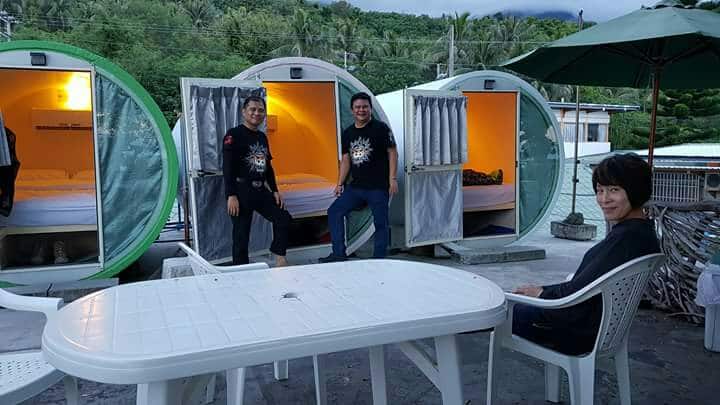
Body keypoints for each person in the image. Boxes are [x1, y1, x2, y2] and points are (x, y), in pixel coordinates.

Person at [512, 153, 660, 355]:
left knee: (502, 311)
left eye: (614, 190)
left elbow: (577, 292)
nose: (604, 199)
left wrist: (541, 293)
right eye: (600, 190)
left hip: (575, 330)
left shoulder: (625, 239)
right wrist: (542, 290)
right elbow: (587, 284)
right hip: (597, 327)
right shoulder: (643, 232)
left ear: (636, 191)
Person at [320, 92, 398, 263]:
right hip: (356, 187)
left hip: (378, 187)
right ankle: (339, 254)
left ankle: (379, 260)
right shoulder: (348, 133)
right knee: (334, 211)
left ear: (370, 109)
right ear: (352, 110)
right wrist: (340, 183)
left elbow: (392, 152)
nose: (361, 110)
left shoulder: (381, 128)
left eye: (365, 107)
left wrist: (392, 179)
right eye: (357, 107)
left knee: (381, 223)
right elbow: (346, 160)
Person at [223, 96, 291, 267]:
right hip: (241, 191)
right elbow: (228, 167)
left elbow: (268, 166)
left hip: (260, 191)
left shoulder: (262, 137)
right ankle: (241, 272)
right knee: (241, 235)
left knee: (283, 218)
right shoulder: (234, 134)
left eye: (261, 110)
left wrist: (275, 190)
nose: (256, 113)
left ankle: (279, 257)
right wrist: (231, 195)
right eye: (252, 109)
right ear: (244, 112)